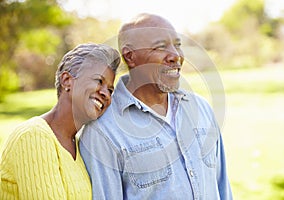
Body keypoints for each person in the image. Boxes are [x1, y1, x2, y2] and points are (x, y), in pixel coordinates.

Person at [80, 13, 233, 199]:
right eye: (161, 47)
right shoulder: (102, 132)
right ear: (131, 56)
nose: (176, 56)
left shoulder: (201, 109)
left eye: (177, 45)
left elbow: (222, 188)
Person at [0, 43, 120, 199]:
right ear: (66, 80)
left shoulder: (79, 146)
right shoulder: (33, 137)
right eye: (98, 81)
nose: (106, 94)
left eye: (110, 89)